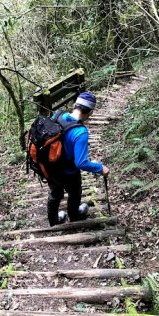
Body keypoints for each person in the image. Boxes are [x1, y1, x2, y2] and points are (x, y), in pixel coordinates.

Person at [47, 91, 109, 226]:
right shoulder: (81, 132)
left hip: (49, 167)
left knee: (54, 192)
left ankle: (53, 220)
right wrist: (100, 168)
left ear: (75, 105)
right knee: (75, 191)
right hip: (68, 172)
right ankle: (74, 216)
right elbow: (81, 163)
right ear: (90, 112)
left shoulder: (58, 115)